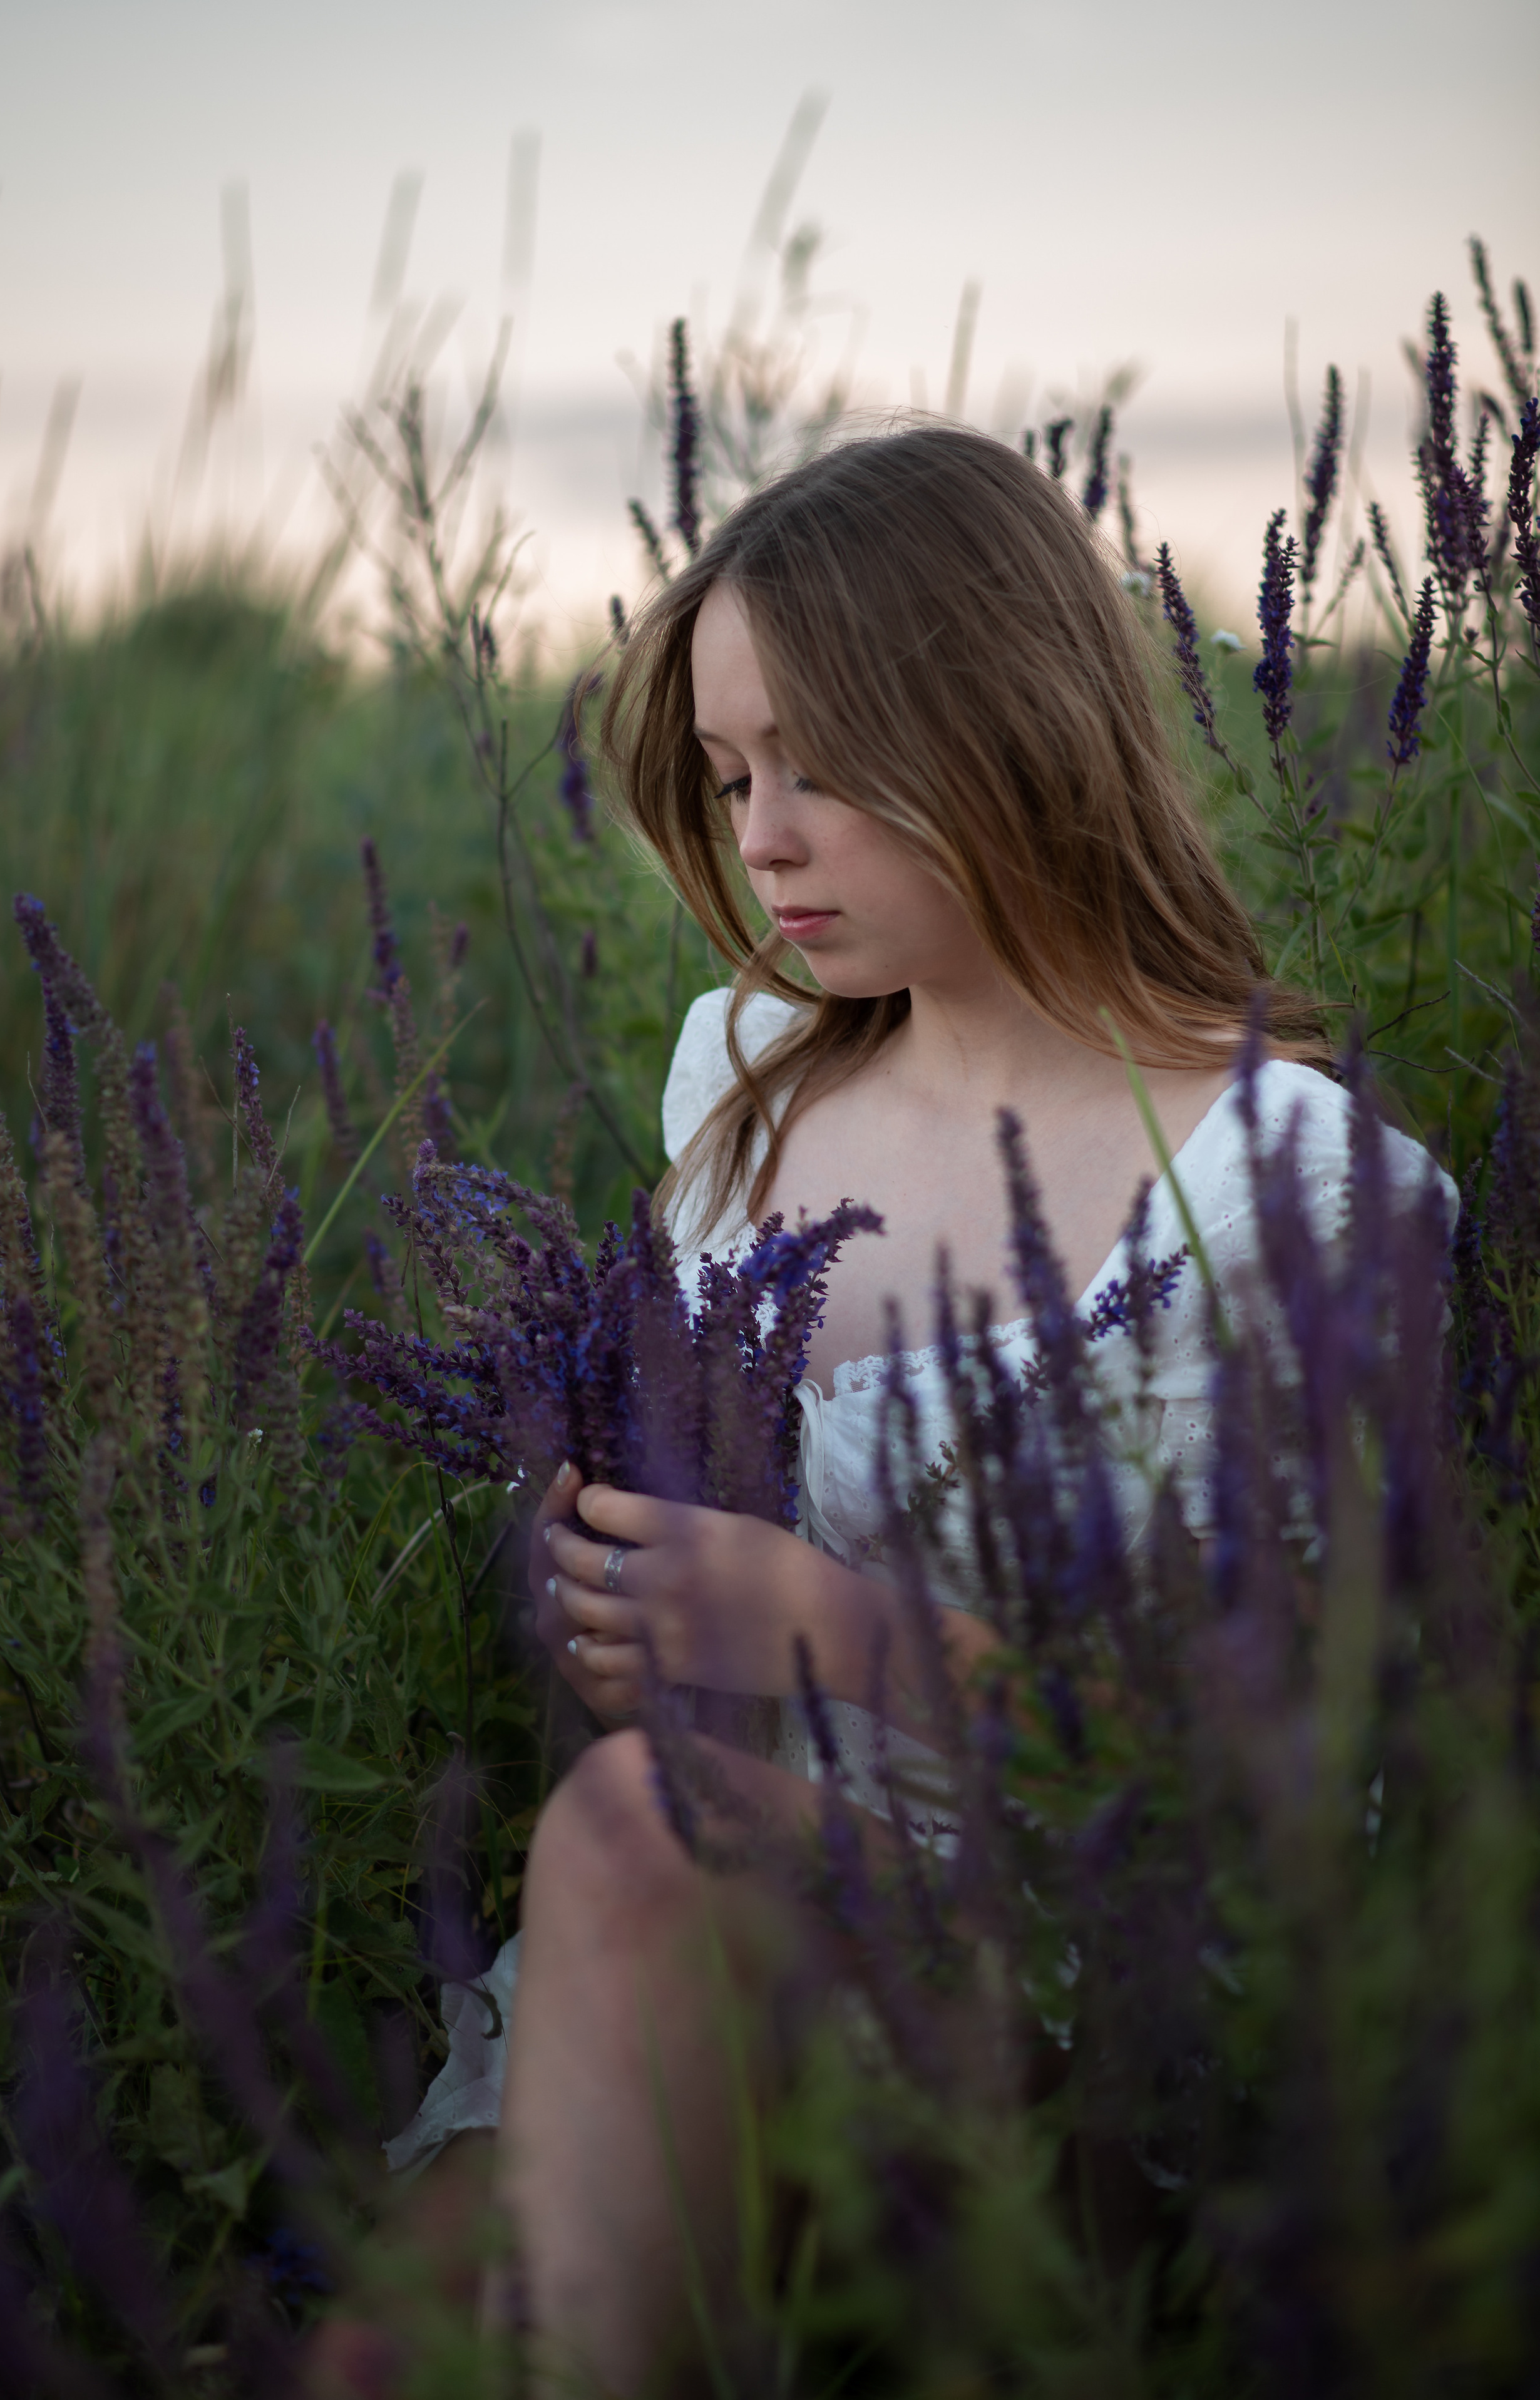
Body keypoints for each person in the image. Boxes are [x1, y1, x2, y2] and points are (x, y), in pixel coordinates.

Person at [363, 425, 1454, 2394]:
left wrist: (826, 1625)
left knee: (639, 1830)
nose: (762, 837)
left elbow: (1283, 1794)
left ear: (1008, 725)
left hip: (1075, 2002)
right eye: (726, 776)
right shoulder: (748, 1080)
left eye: (820, 769)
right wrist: (617, 1583)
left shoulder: (1282, 1186)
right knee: (373, 2355)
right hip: (714, 1940)